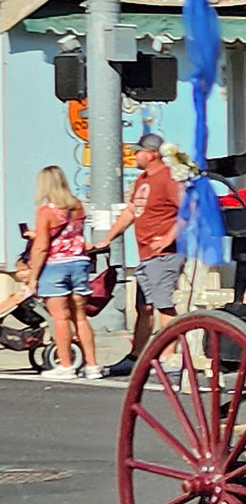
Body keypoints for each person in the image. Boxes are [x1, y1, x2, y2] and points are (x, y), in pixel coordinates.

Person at [97, 133, 186, 377]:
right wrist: (108, 237)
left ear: (153, 154)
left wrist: (168, 238)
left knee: (164, 306)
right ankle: (136, 357)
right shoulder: (142, 179)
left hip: (164, 255)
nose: (134, 155)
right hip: (146, 255)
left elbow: (189, 210)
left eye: (139, 151)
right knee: (144, 308)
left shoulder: (168, 178)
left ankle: (169, 357)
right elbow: (131, 212)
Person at [23, 166, 102, 380]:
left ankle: (66, 365)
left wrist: (32, 277)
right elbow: (73, 234)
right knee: (80, 318)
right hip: (79, 264)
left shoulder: (46, 212)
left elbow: (42, 247)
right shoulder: (78, 207)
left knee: (60, 318)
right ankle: (93, 366)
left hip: (55, 266)